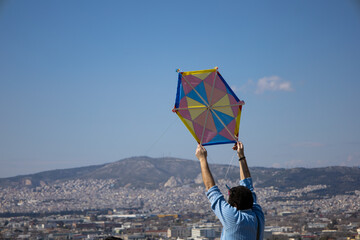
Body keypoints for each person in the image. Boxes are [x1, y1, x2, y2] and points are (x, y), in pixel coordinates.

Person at [195, 142, 265, 240]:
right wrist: (241, 156)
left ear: (235, 206)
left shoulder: (234, 218)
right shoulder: (258, 216)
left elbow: (211, 188)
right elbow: (248, 187)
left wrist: (202, 159)